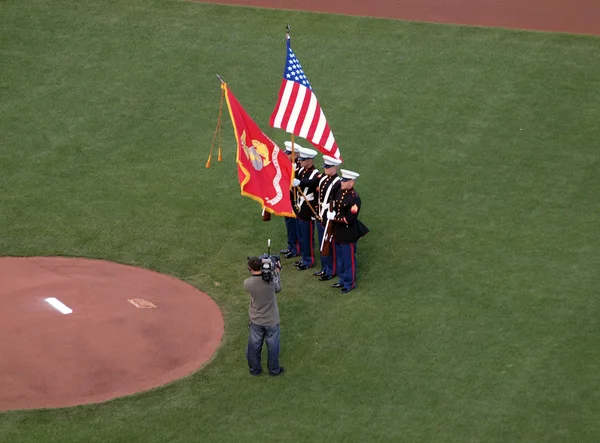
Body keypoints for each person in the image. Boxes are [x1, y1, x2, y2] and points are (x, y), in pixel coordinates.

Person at [327, 169, 368, 293]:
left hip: (348, 233)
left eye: (345, 181)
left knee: (348, 259)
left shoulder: (354, 199)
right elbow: (335, 202)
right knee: (340, 258)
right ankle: (342, 280)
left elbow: (350, 219)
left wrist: (335, 217)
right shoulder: (340, 192)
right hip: (338, 232)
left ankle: (349, 283)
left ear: (351, 182)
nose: (342, 183)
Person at [302, 155, 342, 281]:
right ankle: (325, 268)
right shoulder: (324, 177)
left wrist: (333, 214)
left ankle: (331, 270)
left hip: (329, 217)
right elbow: (312, 183)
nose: (326, 169)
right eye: (325, 166)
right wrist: (299, 182)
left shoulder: (338, 183)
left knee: (329, 245)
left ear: (335, 168)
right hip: (320, 215)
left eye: (328, 167)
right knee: (322, 243)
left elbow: (338, 201)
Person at [244, 256, 285, 376]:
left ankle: (255, 370)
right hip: (271, 320)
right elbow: (278, 288)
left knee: (254, 346)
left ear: (250, 268)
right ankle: (273, 370)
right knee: (273, 347)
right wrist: (276, 272)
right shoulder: (271, 281)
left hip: (256, 319)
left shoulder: (248, 283)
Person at [291, 146, 320, 271]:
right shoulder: (302, 170)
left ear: (310, 160)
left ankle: (309, 260)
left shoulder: (316, 174)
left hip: (308, 207)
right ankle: (304, 257)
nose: (301, 162)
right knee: (301, 234)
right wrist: (292, 170)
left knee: (307, 235)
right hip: (300, 205)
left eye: (303, 160)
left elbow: (312, 183)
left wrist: (300, 183)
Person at [280, 141, 301, 258]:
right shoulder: (288, 164)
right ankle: (291, 246)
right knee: (289, 223)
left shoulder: (298, 166)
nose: (286, 154)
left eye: (289, 153)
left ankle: (296, 248)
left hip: (295, 200)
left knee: (294, 224)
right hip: (287, 198)